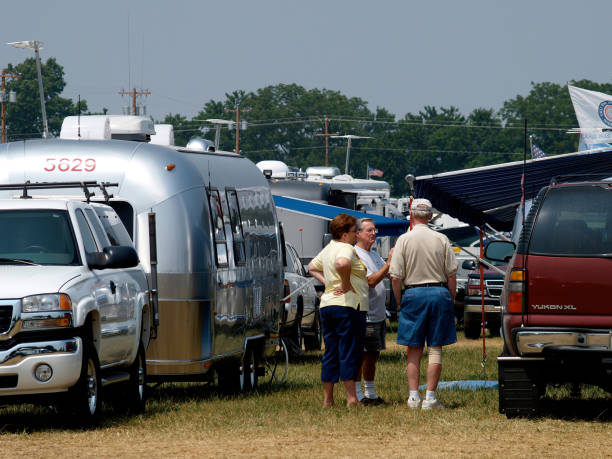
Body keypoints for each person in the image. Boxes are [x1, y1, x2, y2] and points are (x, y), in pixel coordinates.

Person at [389, 198, 458, 410]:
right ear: (430, 216)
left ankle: (413, 397)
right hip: (439, 292)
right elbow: (452, 275)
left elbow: (395, 277)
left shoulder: (403, 240)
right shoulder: (442, 239)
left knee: (414, 348)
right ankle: (430, 398)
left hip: (412, 293)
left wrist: (400, 301)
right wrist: (451, 299)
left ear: (411, 215)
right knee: (435, 348)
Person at [308, 213, 369, 407]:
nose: (356, 235)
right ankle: (352, 398)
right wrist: (345, 283)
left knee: (331, 351)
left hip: (328, 305)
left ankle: (328, 399)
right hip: (348, 305)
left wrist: (328, 284)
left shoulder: (328, 248)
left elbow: (311, 267)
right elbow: (341, 263)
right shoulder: (346, 248)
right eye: (354, 231)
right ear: (344, 234)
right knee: (349, 351)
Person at [353, 218, 393, 405]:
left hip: (378, 313)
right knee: (363, 355)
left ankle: (371, 393)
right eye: (369, 230)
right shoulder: (356, 254)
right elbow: (371, 281)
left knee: (373, 355)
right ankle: (358, 394)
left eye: (374, 230)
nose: (373, 233)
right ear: (358, 233)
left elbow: (387, 274)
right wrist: (389, 264)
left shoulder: (375, 255)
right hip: (365, 314)